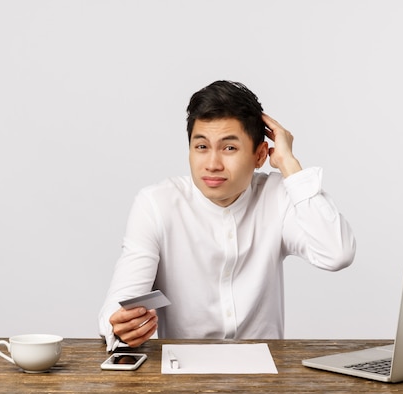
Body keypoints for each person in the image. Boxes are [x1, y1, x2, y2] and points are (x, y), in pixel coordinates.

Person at [98, 80, 356, 351]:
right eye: (201, 147)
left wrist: (290, 165)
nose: (212, 164)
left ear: (259, 156)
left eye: (229, 148)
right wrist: (118, 324)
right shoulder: (156, 204)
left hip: (265, 376)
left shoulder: (278, 195)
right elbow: (121, 299)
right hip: (184, 374)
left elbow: (337, 253)